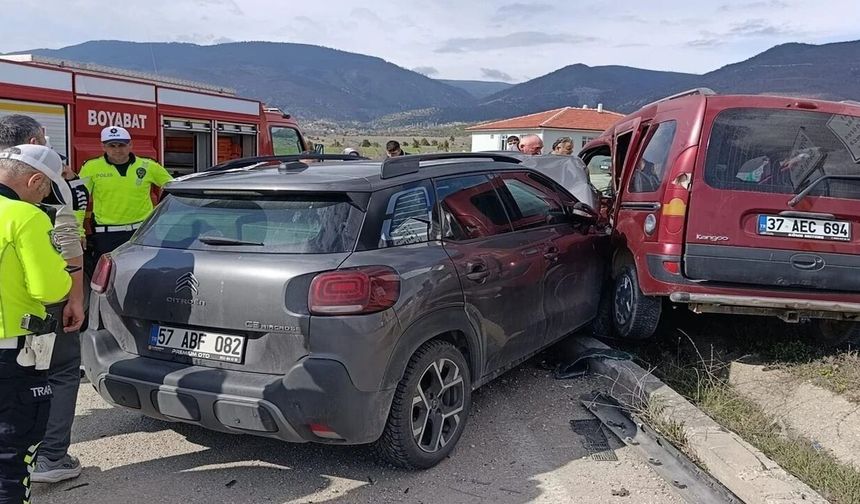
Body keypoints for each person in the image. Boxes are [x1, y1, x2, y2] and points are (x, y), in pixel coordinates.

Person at [0, 116, 86, 484]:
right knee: (61, 372)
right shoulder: (30, 206)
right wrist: (75, 296)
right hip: (23, 323)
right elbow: (68, 242)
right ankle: (51, 457)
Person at [79, 126, 173, 275]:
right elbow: (80, 200)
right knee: (108, 277)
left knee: (144, 273)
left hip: (142, 232)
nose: (117, 150)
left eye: (122, 145)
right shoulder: (91, 167)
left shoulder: (148, 166)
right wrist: (79, 231)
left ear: (130, 145)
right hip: (107, 235)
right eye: (112, 145)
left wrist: (164, 214)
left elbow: (172, 187)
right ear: (103, 146)